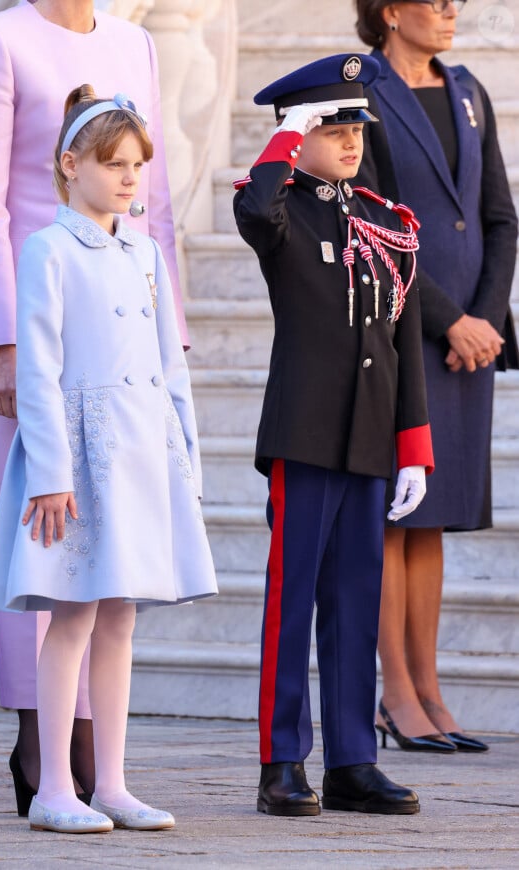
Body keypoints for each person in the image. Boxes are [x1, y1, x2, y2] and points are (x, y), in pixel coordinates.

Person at [0, 0, 189, 813]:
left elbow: (151, 207)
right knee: (44, 537)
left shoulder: (135, 42)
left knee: (114, 581)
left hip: (126, 319)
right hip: (41, 317)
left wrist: (170, 336)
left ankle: (103, 764)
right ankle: (44, 746)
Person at [0, 84, 217, 834]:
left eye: (137, 165)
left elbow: (167, 365)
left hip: (145, 450)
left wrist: (187, 459)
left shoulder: (144, 252)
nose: (126, 178)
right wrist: (50, 474)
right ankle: (55, 787)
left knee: (121, 616)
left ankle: (110, 781)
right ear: (69, 163)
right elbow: (40, 371)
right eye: (112, 163)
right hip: (77, 461)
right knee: (72, 617)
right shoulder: (48, 250)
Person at [233, 53, 435, 817]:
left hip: (370, 439)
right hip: (306, 431)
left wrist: (413, 445)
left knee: (357, 600)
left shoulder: (387, 222)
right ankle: (281, 760)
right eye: (330, 124)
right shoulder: (281, 209)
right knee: (293, 601)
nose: (349, 139)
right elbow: (256, 213)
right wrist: (283, 142)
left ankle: (354, 759)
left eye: (355, 123)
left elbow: (404, 339)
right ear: (298, 130)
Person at [354, 0, 518, 753]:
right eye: (437, 1)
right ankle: (394, 694)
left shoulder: (469, 91)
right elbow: (371, 225)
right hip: (400, 334)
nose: (453, 12)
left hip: (468, 347)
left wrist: (484, 320)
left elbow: (498, 218)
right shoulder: (363, 90)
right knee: (397, 515)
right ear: (391, 11)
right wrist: (448, 319)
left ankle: (431, 690)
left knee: (437, 517)